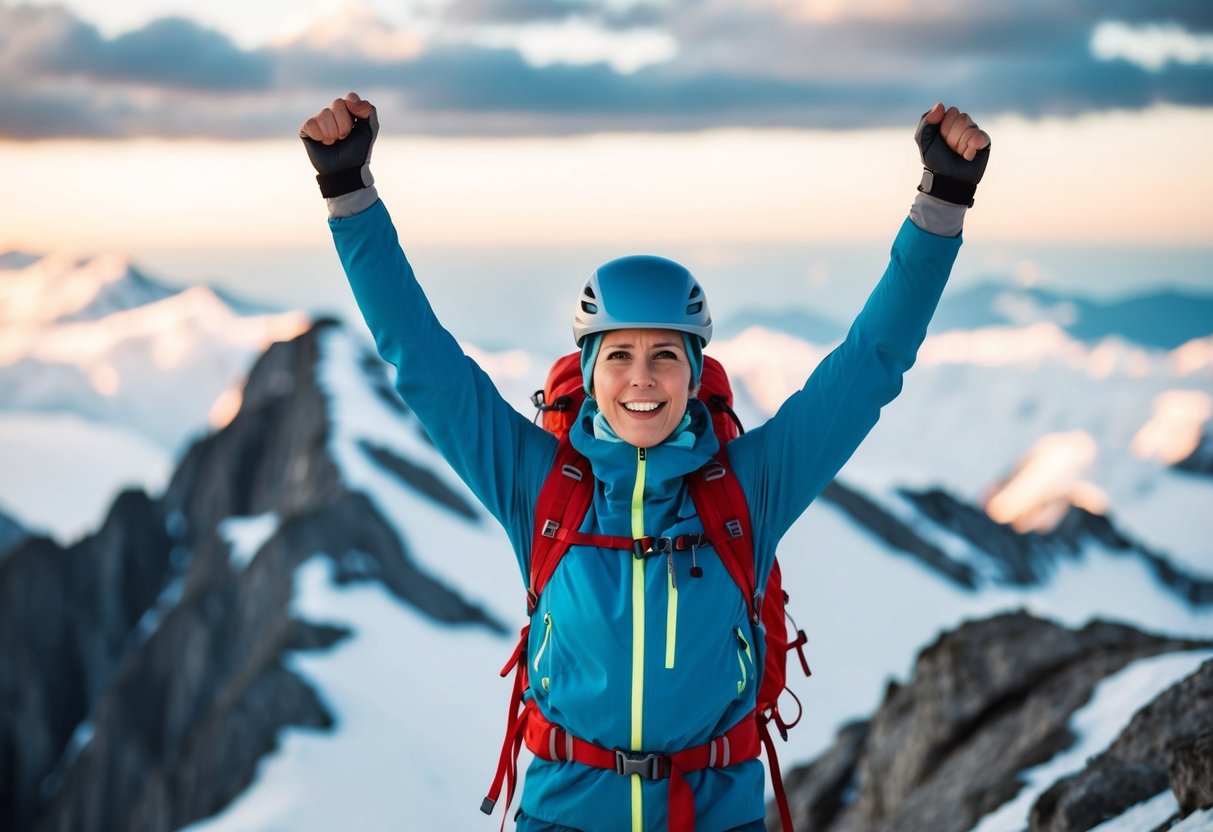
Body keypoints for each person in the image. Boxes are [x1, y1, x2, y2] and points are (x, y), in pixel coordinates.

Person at [300, 92, 990, 832]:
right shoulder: (539, 486)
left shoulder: (748, 490)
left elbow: (868, 366)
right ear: (588, 371)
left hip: (712, 817)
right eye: (619, 355)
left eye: (666, 355)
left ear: (695, 375)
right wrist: (349, 193)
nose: (641, 378)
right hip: (560, 816)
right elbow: (422, 363)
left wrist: (941, 202)